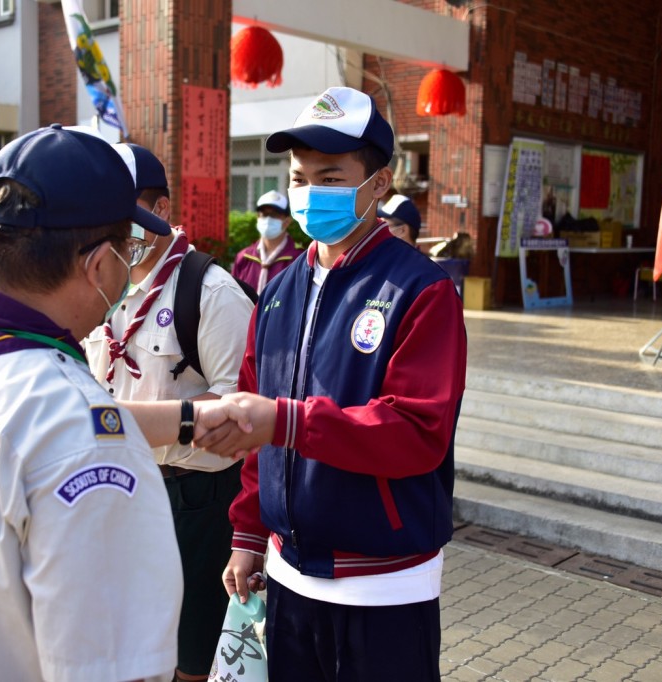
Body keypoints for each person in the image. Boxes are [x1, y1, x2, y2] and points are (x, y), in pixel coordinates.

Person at [0, 124, 251, 682]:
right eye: (128, 248)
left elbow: (65, 425)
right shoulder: (80, 436)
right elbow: (110, 662)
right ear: (98, 263)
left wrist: (187, 417)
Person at [200, 87, 467, 681]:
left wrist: (287, 421)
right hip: (287, 576)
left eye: (330, 175)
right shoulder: (277, 292)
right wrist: (248, 531)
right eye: (299, 177)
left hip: (385, 587)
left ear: (378, 184)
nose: (308, 192)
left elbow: (416, 431)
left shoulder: (423, 292)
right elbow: (254, 426)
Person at [83, 142, 255, 682]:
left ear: (159, 210)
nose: (116, 233)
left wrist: (137, 421)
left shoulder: (212, 292)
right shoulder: (99, 285)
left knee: (191, 649)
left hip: (194, 497)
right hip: (119, 484)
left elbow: (237, 407)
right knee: (134, 635)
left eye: (128, 217)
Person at [231, 190, 304, 294]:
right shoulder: (244, 257)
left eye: (274, 215)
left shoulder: (299, 259)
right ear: (258, 218)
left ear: (287, 221)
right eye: (264, 214)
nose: (268, 219)